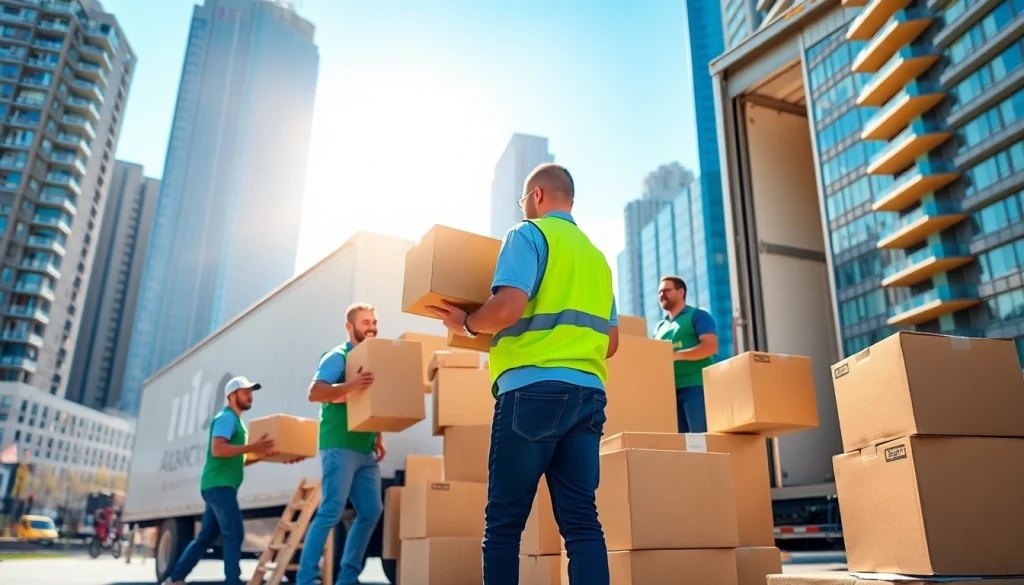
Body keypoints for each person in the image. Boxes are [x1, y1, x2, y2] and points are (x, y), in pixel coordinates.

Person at [427, 163, 618, 585]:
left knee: (504, 524)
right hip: (588, 395)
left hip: (532, 392)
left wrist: (467, 323)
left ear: (536, 196)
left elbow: (509, 306)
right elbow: (613, 341)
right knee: (582, 521)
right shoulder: (597, 259)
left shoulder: (527, 235)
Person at [297, 303, 386, 585]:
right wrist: (352, 385)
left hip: (365, 447)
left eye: (373, 321)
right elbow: (315, 392)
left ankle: (348, 577)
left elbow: (371, 402)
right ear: (350, 327)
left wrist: (379, 435)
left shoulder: (375, 357)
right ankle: (306, 578)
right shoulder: (338, 357)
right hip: (339, 445)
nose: (371, 327)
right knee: (331, 511)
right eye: (365, 322)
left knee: (371, 511)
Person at [163, 376, 278, 585]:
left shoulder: (237, 422)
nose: (250, 395)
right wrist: (252, 448)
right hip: (219, 487)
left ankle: (176, 578)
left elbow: (235, 458)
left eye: (251, 391)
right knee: (234, 533)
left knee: (206, 537)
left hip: (219, 486)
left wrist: (266, 455)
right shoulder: (226, 418)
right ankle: (232, 581)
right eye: (245, 392)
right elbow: (218, 449)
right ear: (231, 396)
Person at [653, 275, 719, 433]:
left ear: (681, 292)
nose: (662, 295)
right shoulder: (659, 327)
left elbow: (711, 346)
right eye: (659, 292)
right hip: (668, 393)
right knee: (681, 446)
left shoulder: (698, 315)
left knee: (700, 440)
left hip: (695, 388)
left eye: (666, 290)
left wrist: (677, 356)